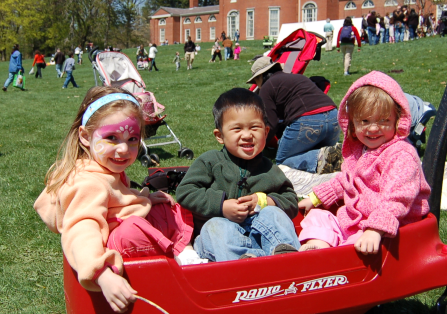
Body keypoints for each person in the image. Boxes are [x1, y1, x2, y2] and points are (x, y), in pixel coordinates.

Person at [34, 86, 203, 313]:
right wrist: (101, 274)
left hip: (114, 241)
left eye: (132, 138)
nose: (123, 148)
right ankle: (183, 260)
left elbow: (115, 200)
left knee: (164, 207)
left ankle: (185, 252)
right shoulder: (87, 183)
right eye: (112, 138)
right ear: (85, 136)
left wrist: (144, 198)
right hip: (109, 253)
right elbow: (81, 230)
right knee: (136, 227)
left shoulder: (103, 166)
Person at [297, 71, 431, 253]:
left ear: (398, 121)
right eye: (365, 121)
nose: (374, 128)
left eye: (384, 120)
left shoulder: (401, 155)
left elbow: (397, 198)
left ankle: (329, 258)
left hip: (387, 228)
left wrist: (375, 229)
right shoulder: (361, 149)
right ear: (352, 123)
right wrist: (315, 198)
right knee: (318, 216)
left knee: (357, 242)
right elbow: (346, 180)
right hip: (355, 220)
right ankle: (319, 248)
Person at [176, 88, 300, 262]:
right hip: (221, 243)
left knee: (273, 213)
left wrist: (265, 202)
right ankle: (244, 263)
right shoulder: (210, 161)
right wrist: (221, 206)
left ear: (265, 132)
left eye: (254, 127)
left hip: (261, 239)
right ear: (220, 136)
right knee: (215, 226)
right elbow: (185, 192)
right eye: (237, 129)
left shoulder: (269, 169)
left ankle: (286, 257)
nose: (247, 135)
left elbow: (291, 201)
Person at [247, 56, 340, 173]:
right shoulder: (297, 77)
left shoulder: (267, 86)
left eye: (256, 81)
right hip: (334, 117)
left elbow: (271, 123)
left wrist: (260, 144)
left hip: (307, 120)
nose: (257, 84)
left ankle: (317, 157)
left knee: (283, 161)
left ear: (261, 76)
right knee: (322, 154)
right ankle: (329, 153)